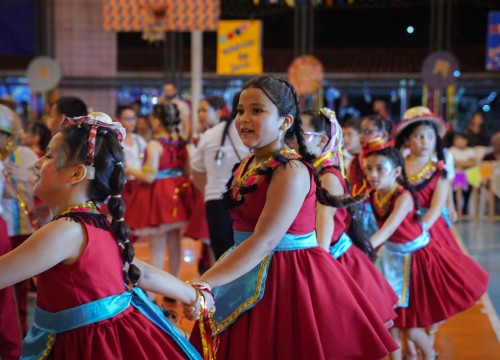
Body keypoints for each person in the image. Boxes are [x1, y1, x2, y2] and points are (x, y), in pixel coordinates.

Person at [184, 75, 398, 359]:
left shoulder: (290, 170)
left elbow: (265, 240)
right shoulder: (250, 162)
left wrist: (207, 281)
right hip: (246, 264)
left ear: (285, 122)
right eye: (240, 110)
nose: (244, 118)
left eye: (257, 110)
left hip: (285, 278)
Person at [0, 112, 204, 359]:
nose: (37, 162)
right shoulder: (96, 221)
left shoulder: (64, 231)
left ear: (77, 174)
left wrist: (194, 296)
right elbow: (142, 271)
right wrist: (194, 295)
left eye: (49, 156)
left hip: (87, 347)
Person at [364, 139, 488, 360]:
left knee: (410, 327)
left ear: (397, 172)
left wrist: (359, 251)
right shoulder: (374, 194)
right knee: (389, 321)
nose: (373, 174)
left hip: (417, 261)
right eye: (369, 168)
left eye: (380, 168)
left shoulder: (403, 197)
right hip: (391, 259)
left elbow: (388, 229)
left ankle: (430, 355)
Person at [300, 107, 398, 328]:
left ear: (322, 139)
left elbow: (323, 234)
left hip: (333, 261)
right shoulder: (309, 170)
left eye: (299, 132)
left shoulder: (327, 176)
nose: (291, 138)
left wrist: (317, 273)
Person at [125, 104, 193, 294]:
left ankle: (155, 293)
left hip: (159, 197)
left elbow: (149, 176)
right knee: (174, 243)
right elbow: (187, 171)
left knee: (157, 245)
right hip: (177, 195)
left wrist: (129, 169)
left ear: (156, 120)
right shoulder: (181, 144)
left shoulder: (155, 145)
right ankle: (176, 287)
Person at [395, 106, 463, 255]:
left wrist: (418, 231)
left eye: (430, 136)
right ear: (406, 139)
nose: (425, 141)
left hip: (430, 225)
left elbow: (438, 205)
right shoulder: (396, 167)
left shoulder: (439, 168)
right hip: (399, 223)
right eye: (419, 136)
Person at [190, 92, 250, 261]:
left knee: (222, 259)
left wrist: (211, 191)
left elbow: (196, 171)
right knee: (247, 257)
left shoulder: (209, 135)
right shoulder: (258, 134)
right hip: (247, 201)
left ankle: (223, 288)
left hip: (215, 201)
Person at [0, 104, 39, 335]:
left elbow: (41, 187)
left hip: (20, 229)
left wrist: (25, 178)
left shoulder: (24, 154)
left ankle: (20, 333)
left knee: (18, 291)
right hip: (5, 227)